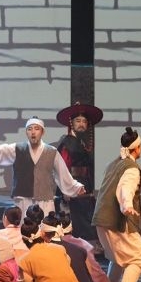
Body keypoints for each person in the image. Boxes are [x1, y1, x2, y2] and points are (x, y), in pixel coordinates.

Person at [92, 126, 141, 282]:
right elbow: (125, 188)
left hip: (102, 218)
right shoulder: (131, 168)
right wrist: (127, 205)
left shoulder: (114, 163)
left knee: (118, 257)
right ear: (137, 148)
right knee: (139, 257)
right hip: (115, 220)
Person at [0, 116, 87, 217]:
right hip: (23, 199)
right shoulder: (17, 149)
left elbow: (62, 173)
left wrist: (76, 187)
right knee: (24, 225)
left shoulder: (51, 152)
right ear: (26, 132)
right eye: (30, 129)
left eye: (36, 129)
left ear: (42, 132)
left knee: (46, 225)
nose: (33, 132)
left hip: (45, 200)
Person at [54, 102, 104, 252]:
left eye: (84, 121)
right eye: (78, 121)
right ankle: (79, 252)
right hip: (72, 187)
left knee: (85, 218)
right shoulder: (67, 142)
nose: (81, 124)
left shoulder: (81, 142)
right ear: (71, 123)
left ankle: (87, 252)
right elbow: (62, 167)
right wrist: (66, 189)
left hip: (84, 185)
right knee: (78, 221)